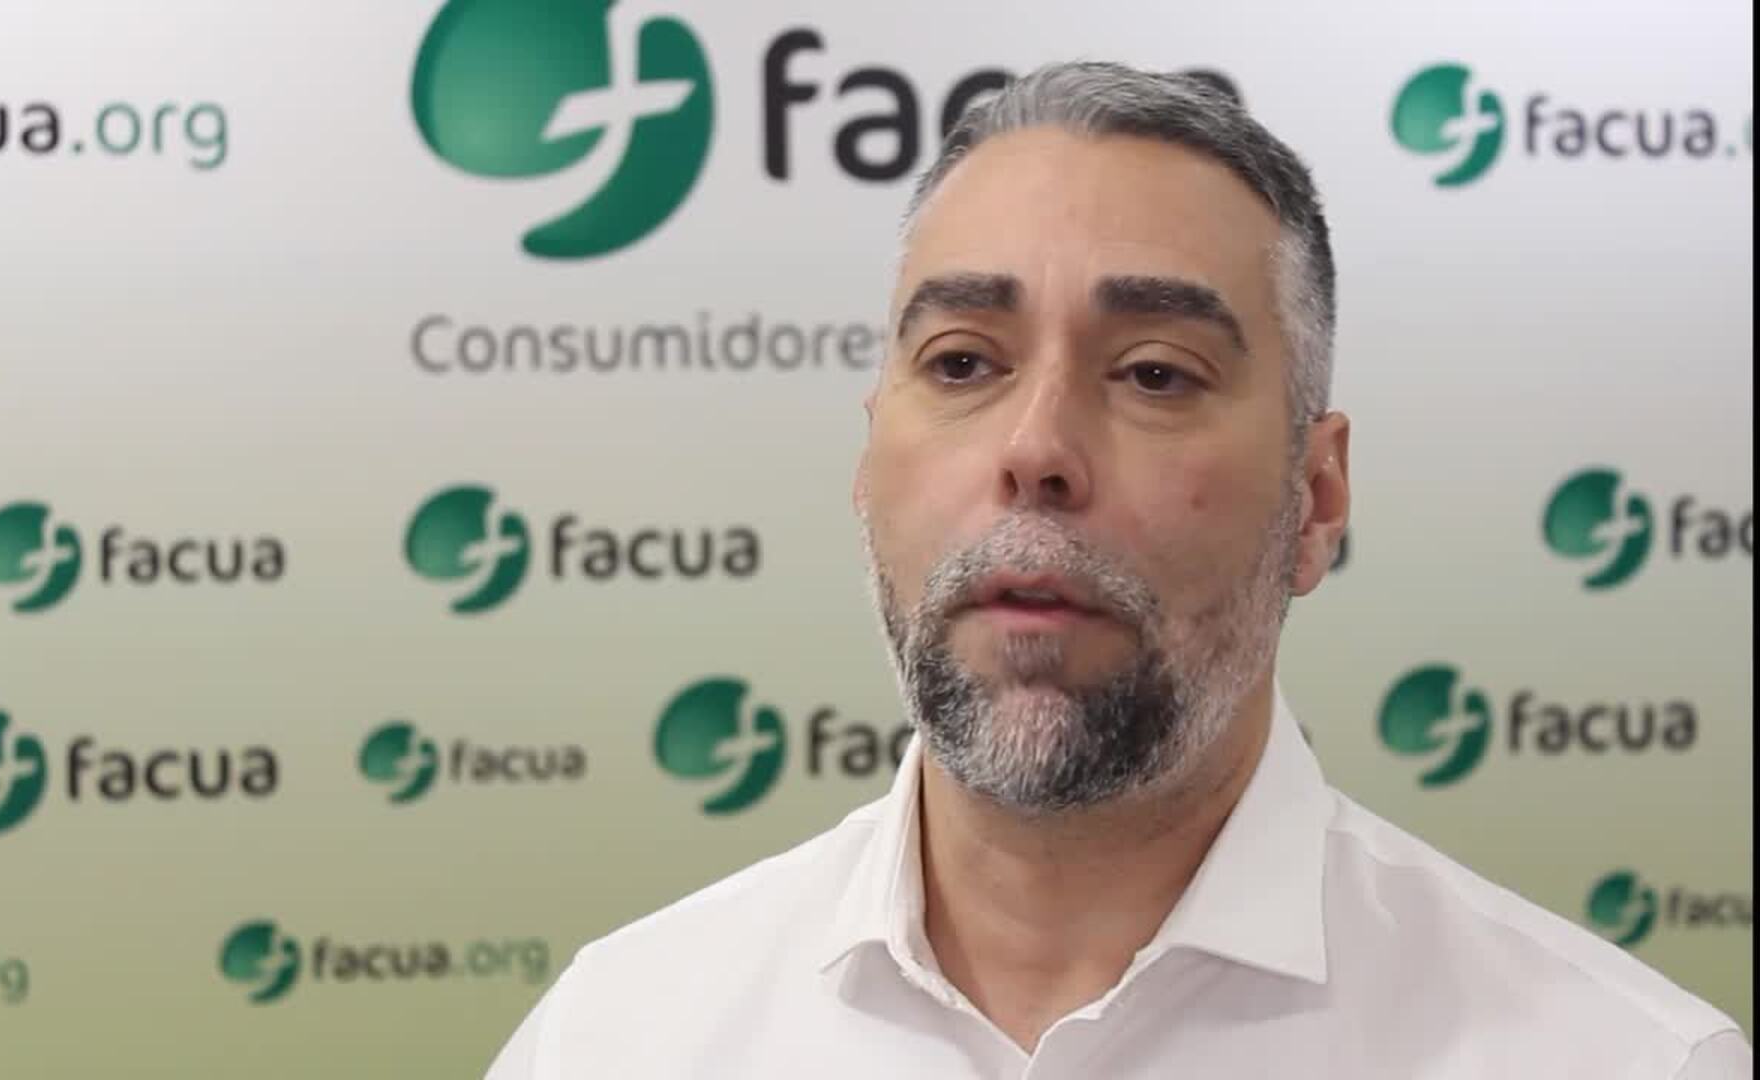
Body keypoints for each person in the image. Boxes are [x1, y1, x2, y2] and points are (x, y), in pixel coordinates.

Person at [485, 61, 1752, 1078]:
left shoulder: (1621, 1060)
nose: (1036, 451)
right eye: (963, 363)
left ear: (1315, 499)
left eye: (1153, 373)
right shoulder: (616, 1039)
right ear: (868, 459)